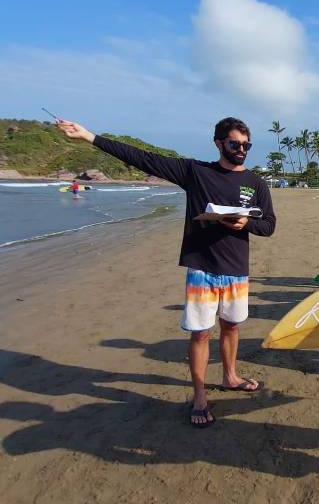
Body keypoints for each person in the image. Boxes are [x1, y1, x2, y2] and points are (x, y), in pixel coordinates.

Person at [57, 117, 276, 428]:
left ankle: (230, 376)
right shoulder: (196, 172)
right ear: (218, 143)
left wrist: (247, 223)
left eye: (246, 145)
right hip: (202, 268)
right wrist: (89, 137)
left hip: (236, 270)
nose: (241, 150)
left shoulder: (256, 183)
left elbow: (269, 225)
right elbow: (141, 157)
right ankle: (199, 397)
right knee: (201, 334)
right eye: (234, 144)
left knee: (232, 328)